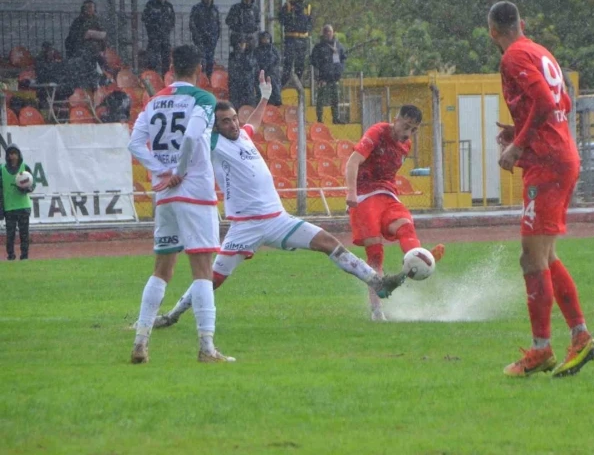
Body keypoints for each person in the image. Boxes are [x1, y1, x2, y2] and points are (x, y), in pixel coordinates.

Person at [152, 74, 407, 329]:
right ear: (215, 127)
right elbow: (190, 136)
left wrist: (264, 97)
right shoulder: (213, 142)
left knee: (328, 242)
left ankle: (378, 283)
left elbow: (253, 122)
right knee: (212, 278)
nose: (233, 124)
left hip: (277, 219)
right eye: (225, 122)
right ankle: (172, 315)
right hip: (246, 225)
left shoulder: (243, 135)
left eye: (233, 118)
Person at [488, 1, 594, 378]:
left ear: (492, 31)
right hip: (561, 155)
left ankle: (541, 351)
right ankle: (580, 337)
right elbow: (561, 103)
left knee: (531, 259)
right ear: (522, 23)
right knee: (546, 257)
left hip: (547, 163)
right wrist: (517, 132)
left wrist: (518, 146)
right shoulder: (539, 50)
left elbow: (545, 100)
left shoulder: (513, 56)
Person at [127, 44, 233, 364]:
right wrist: (180, 172)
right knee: (202, 270)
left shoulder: (155, 100)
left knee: (162, 271)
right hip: (194, 192)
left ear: (170, 69)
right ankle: (206, 347)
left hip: (165, 196)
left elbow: (134, 143)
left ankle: (141, 341)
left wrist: (161, 171)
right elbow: (190, 137)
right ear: (200, 70)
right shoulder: (203, 99)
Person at [345, 105, 445, 321]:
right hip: (364, 196)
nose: (408, 133)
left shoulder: (405, 146)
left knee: (406, 226)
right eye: (406, 126)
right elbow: (353, 161)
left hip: (388, 195)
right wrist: (351, 193)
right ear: (395, 119)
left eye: (414, 130)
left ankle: (419, 259)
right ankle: (377, 310)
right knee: (375, 254)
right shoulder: (378, 132)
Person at [0, 144, 35, 261]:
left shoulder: (25, 167)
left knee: (24, 233)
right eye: (10, 154)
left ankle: (24, 256)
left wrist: (26, 189)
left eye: (15, 153)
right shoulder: (2, 169)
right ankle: (11, 255)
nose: (13, 156)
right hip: (9, 207)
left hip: (23, 206)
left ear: (19, 154)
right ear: (7, 156)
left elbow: (32, 184)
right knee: (10, 234)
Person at [311, 24, 346, 124]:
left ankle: (336, 118)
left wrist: (340, 69)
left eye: (329, 31)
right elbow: (313, 61)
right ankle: (319, 119)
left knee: (335, 99)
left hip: (335, 77)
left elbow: (343, 58)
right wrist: (319, 75)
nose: (328, 34)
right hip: (323, 77)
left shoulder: (338, 45)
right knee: (320, 99)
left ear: (333, 32)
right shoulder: (319, 47)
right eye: (326, 32)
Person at [279, 0, 313, 87]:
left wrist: (307, 28)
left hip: (303, 39)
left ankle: (297, 81)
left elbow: (311, 21)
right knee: (288, 62)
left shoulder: (308, 7)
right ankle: (284, 83)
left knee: (300, 63)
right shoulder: (288, 6)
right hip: (291, 38)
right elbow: (281, 19)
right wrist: (290, 18)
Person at [142, 0, 176, 75]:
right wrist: (152, 30)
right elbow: (145, 18)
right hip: (154, 37)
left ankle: (164, 78)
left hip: (165, 37)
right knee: (153, 60)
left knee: (166, 60)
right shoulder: (151, 4)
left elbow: (172, 20)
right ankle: (152, 77)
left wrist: (167, 29)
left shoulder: (168, 6)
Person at [189, 0, 220, 79]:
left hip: (211, 39)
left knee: (210, 60)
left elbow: (218, 24)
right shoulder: (197, 9)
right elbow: (192, 24)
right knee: (201, 60)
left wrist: (216, 36)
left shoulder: (214, 9)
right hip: (200, 39)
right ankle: (201, 78)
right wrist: (197, 36)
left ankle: (209, 78)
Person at [228, 34, 259, 109]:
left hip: (248, 87)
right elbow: (233, 72)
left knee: (250, 108)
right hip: (237, 88)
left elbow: (253, 70)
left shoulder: (251, 56)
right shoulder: (233, 56)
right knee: (236, 108)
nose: (242, 45)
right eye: (240, 43)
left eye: (243, 43)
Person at [254, 31, 282, 106]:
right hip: (261, 75)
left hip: (272, 75)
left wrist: (271, 69)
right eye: (264, 39)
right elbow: (255, 63)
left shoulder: (273, 50)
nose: (266, 40)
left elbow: (277, 61)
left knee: (274, 90)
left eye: (267, 39)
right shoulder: (257, 51)